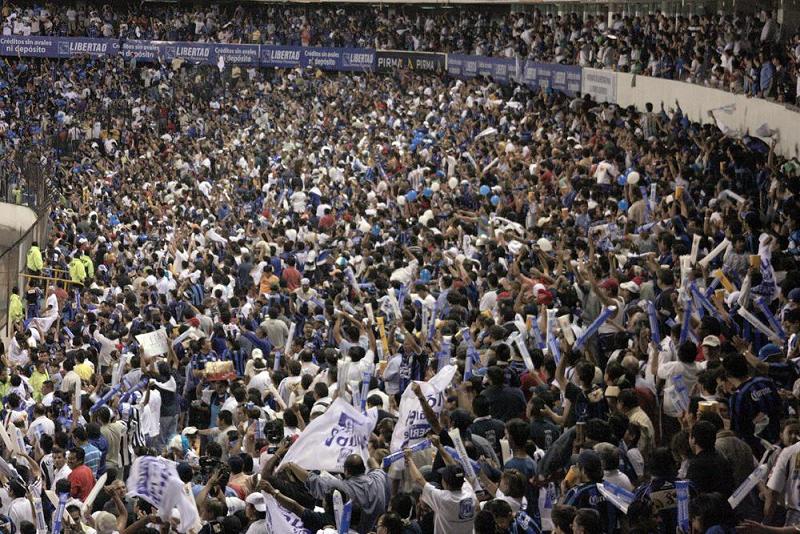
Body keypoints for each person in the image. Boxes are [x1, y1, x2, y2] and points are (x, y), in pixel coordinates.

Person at [403, 443, 478, 534]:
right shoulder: (469, 492)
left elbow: (419, 480)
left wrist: (410, 459)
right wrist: (439, 447)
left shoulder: (442, 499)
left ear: (445, 483)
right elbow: (456, 468)